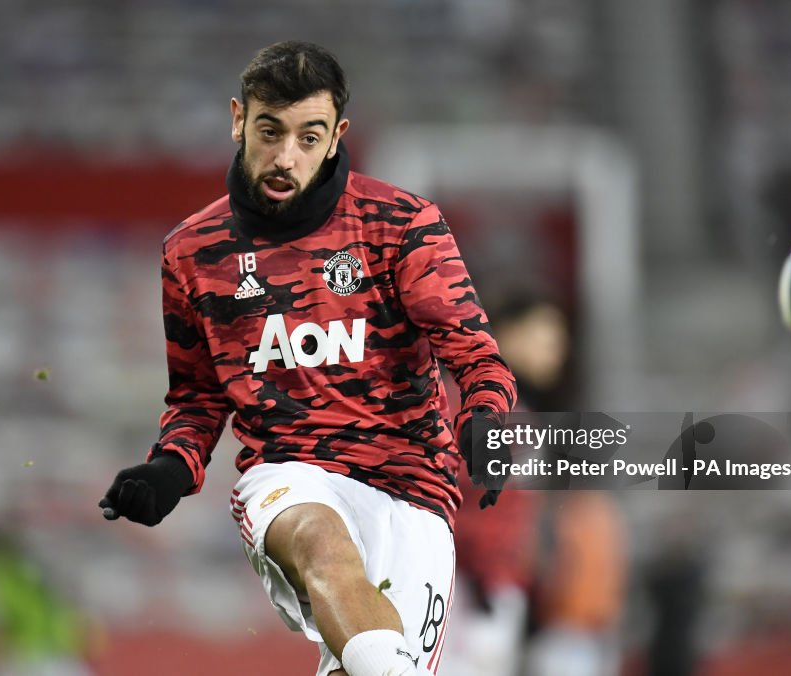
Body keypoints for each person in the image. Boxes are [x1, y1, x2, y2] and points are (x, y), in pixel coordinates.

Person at [97, 41, 516, 676]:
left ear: (336, 135)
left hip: (413, 490)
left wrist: (484, 421)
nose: (285, 156)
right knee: (320, 538)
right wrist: (170, 468)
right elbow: (198, 396)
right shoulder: (193, 251)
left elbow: (477, 357)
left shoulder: (402, 225)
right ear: (239, 119)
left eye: (308, 136)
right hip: (288, 475)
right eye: (270, 131)